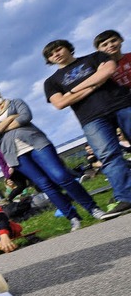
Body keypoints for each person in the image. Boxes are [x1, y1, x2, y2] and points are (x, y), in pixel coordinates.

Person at [0, 85, 108, 230]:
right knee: (45, 184)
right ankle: (72, 217)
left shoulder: (15, 103)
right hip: (15, 154)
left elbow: (25, 117)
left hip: (36, 143)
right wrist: (11, 118)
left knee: (61, 176)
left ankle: (93, 209)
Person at [42, 39, 131, 217]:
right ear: (50, 60)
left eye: (58, 49)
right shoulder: (51, 82)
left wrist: (72, 91)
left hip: (121, 104)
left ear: (68, 48)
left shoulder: (95, 57)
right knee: (108, 156)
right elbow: (59, 103)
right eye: (51, 54)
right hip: (91, 118)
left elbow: (109, 70)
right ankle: (127, 198)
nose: (56, 54)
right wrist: (96, 82)